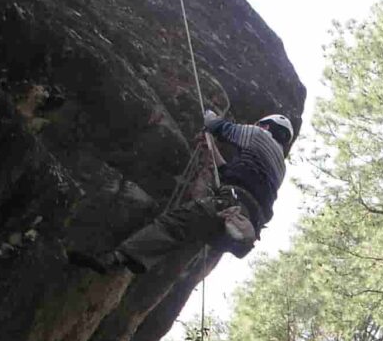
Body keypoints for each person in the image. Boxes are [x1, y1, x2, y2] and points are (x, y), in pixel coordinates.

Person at [73, 109, 293, 274]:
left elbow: (222, 128)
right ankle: (139, 259)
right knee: (191, 229)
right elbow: (231, 174)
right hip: (243, 220)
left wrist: (211, 118)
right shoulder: (279, 169)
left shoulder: (260, 136)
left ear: (266, 126)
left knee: (174, 224)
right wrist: (211, 148)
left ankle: (116, 258)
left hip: (228, 205)